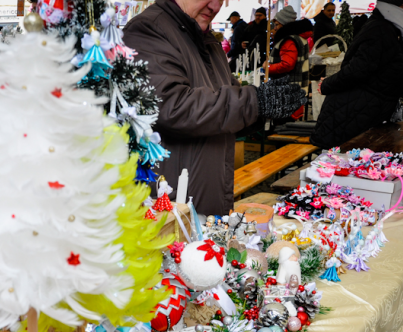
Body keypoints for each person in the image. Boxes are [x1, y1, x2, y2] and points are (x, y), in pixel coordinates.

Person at [123, 0, 305, 215]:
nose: (215, 7)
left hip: (208, 194)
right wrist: (256, 102)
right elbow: (172, 106)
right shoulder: (148, 30)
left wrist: (264, 111)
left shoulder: (208, 41)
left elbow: (222, 114)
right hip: (169, 205)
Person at [311, 0, 403, 149]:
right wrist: (326, 84)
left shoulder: (391, 28)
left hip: (364, 115)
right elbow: (357, 70)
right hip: (353, 118)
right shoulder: (381, 29)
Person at [267, 6, 313, 120]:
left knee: (283, 127)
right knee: (291, 126)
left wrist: (268, 68)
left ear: (284, 25)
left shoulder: (289, 41)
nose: (275, 28)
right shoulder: (298, 38)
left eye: (277, 25)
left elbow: (287, 64)